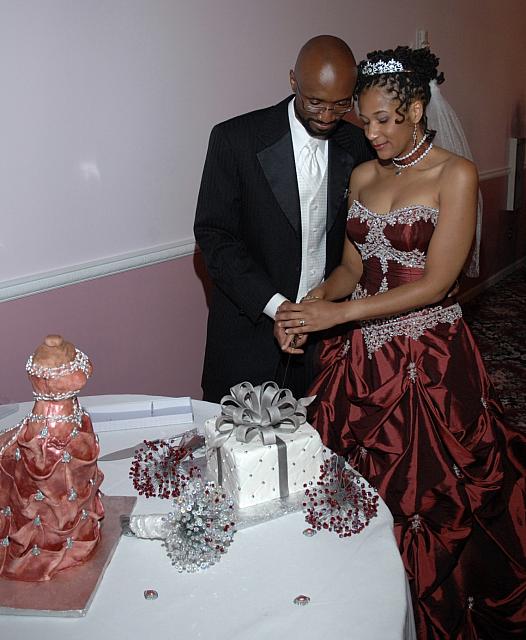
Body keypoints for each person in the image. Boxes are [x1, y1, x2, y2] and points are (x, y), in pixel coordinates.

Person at [276, 46, 526, 639]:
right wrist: (312, 303)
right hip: (360, 359)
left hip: (430, 360)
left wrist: (341, 314)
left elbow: (439, 283)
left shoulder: (455, 175)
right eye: (368, 121)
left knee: (432, 496)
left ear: (416, 108)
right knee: (346, 488)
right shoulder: (363, 175)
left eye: (387, 120)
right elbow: (350, 267)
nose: (376, 134)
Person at [194, 35, 373, 403]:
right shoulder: (235, 139)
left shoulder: (359, 146)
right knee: (236, 453)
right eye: (315, 102)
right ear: (293, 81)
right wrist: (278, 308)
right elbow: (215, 237)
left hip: (326, 343)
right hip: (247, 337)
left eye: (340, 105)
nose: (326, 117)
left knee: (319, 450)